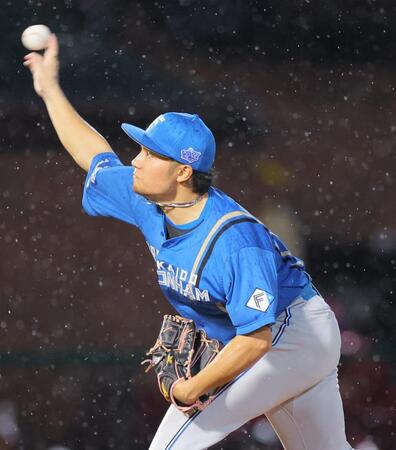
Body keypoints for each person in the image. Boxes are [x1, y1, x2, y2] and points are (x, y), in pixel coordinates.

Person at [24, 35, 353, 450]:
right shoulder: (147, 197)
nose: (137, 160)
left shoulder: (234, 240)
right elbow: (95, 156)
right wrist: (50, 90)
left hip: (291, 332)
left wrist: (191, 387)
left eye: (150, 153)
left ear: (182, 172)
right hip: (276, 334)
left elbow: (257, 339)